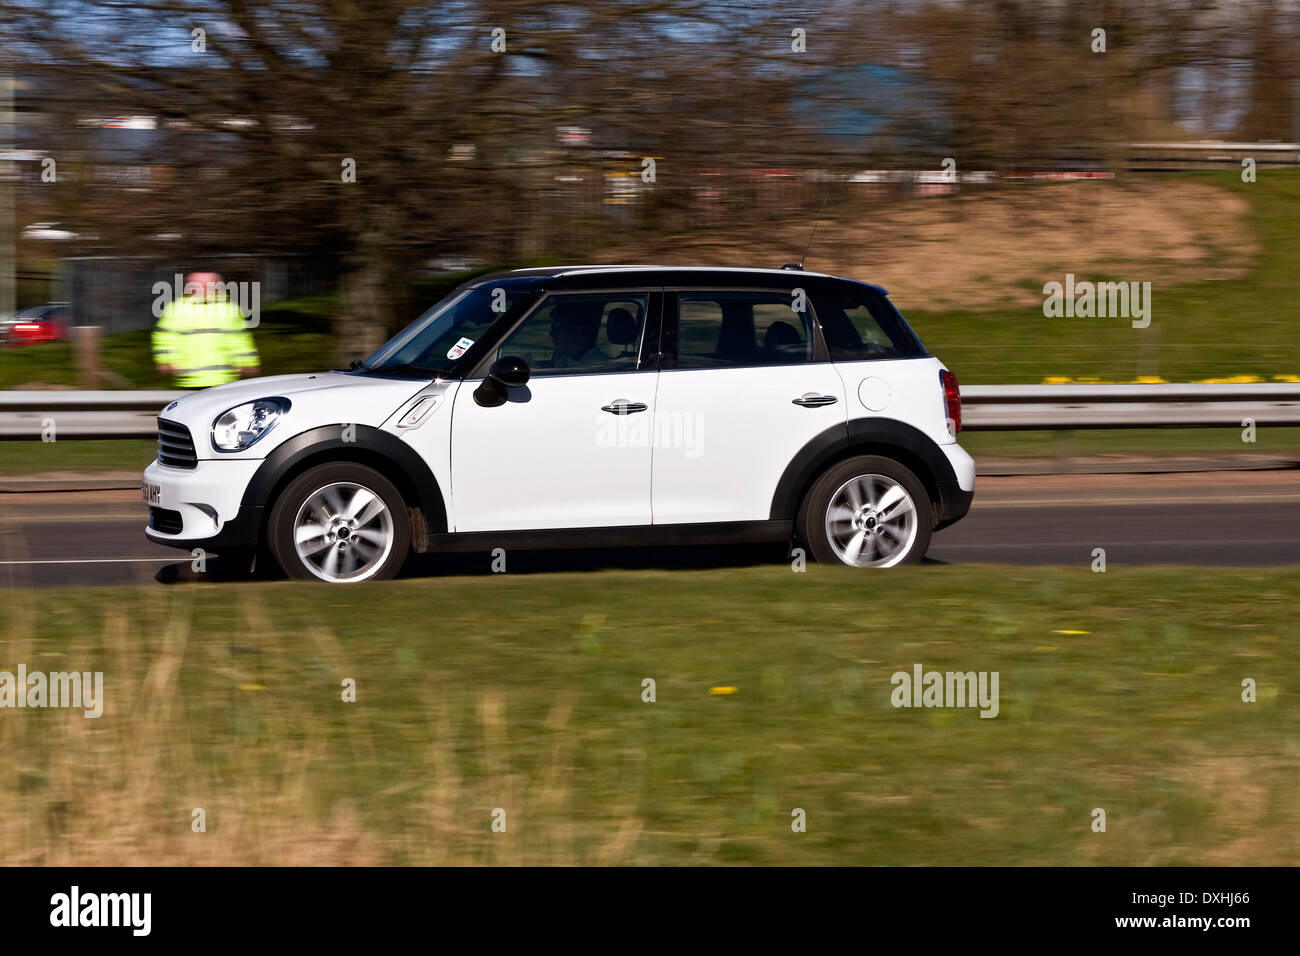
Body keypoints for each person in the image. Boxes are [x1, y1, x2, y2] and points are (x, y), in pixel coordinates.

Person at [152, 272, 259, 388]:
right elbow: (165, 336)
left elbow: (239, 338)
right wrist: (165, 360)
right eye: (198, 284)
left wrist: (248, 362)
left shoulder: (230, 309)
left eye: (208, 285)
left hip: (223, 378)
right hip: (189, 378)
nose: (203, 288)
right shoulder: (176, 308)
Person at [547, 304, 604, 369]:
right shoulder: (565, 359)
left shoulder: (594, 367)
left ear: (577, 328)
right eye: (551, 327)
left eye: (557, 326)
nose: (551, 334)